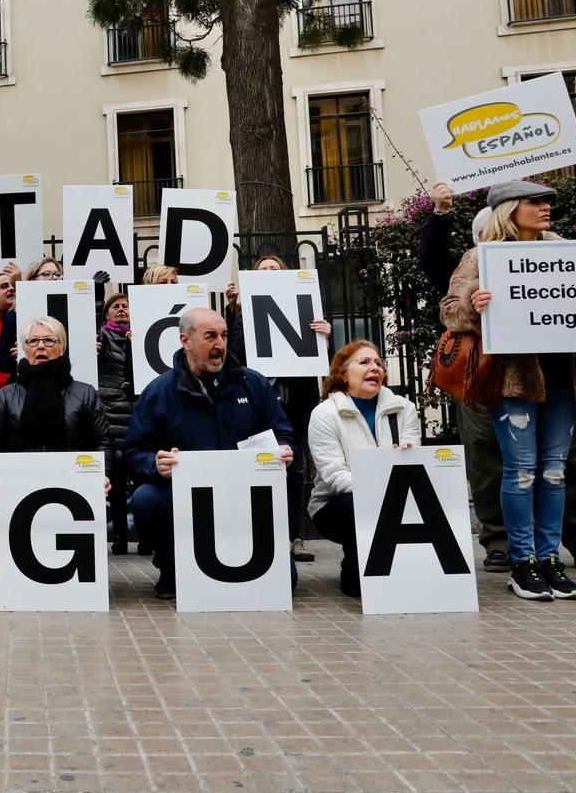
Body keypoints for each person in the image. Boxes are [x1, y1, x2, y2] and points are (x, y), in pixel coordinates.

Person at [418, 182, 576, 574]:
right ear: (509, 209)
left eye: (548, 201)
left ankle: (550, 560)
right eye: (536, 201)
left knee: (555, 471)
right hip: (512, 382)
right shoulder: (480, 258)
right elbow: (449, 311)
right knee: (521, 470)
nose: (547, 207)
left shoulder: (572, 255)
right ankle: (521, 560)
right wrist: (473, 303)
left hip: (563, 379)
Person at [123, 308, 295, 600]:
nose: (220, 345)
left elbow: (283, 432)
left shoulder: (252, 384)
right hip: (185, 499)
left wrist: (285, 449)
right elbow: (134, 451)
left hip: (245, 497)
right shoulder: (158, 392)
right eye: (210, 336)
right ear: (185, 341)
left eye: (225, 336)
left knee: (286, 582)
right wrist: (155, 464)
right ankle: (172, 565)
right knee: (146, 500)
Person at [224, 253, 332, 565]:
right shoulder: (244, 314)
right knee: (255, 464)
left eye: (275, 268)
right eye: (263, 269)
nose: (269, 272)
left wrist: (325, 338)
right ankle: (263, 533)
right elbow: (234, 356)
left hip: (297, 399)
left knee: (294, 468)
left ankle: (295, 537)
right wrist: (235, 313)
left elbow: (325, 361)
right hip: (258, 400)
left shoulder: (305, 310)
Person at [307, 340, 421, 598]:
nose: (375, 368)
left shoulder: (404, 409)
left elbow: (414, 460)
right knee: (358, 505)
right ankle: (356, 571)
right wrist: (379, 492)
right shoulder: (324, 414)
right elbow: (335, 476)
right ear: (343, 374)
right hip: (338, 504)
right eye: (364, 362)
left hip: (396, 494)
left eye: (378, 363)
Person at [0, 317, 112, 494]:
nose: (40, 346)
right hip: (19, 486)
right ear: (25, 348)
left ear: (62, 347)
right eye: (33, 341)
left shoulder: (85, 393)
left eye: (49, 340)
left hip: (74, 486)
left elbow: (102, 441)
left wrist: (102, 474)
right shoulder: (5, 395)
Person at [96, 293, 134, 553]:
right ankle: (120, 536)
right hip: (111, 413)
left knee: (141, 478)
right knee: (117, 482)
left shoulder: (141, 337)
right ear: (107, 313)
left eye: (125, 306)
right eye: (115, 307)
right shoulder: (102, 337)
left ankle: (147, 539)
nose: (121, 309)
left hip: (135, 414)